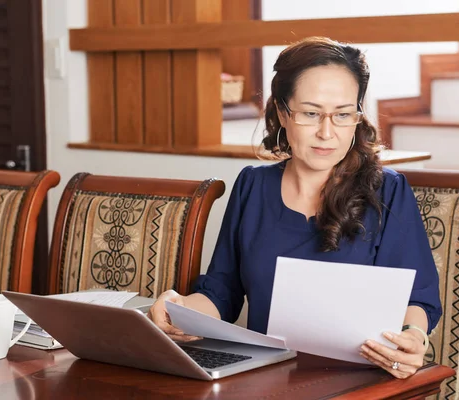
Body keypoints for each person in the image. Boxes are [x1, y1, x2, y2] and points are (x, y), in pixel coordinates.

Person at [148, 36, 441, 379]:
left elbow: (418, 298)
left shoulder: (388, 190)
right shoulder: (253, 185)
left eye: (343, 115)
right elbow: (221, 293)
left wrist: (413, 337)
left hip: (362, 382)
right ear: (281, 113)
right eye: (311, 113)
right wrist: (178, 308)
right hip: (266, 378)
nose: (326, 132)